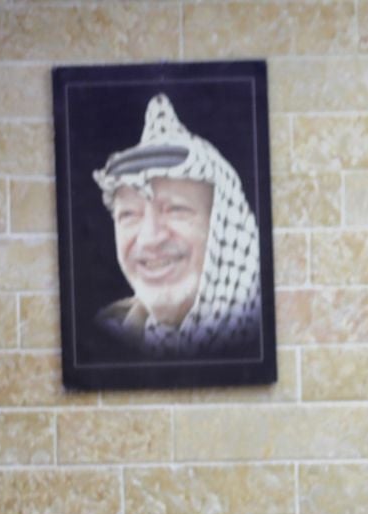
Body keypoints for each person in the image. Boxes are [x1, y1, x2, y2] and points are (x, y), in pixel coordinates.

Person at [91, 93, 263, 359]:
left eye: (175, 209)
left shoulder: (266, 325)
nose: (149, 238)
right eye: (129, 215)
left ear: (222, 226)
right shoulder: (104, 340)